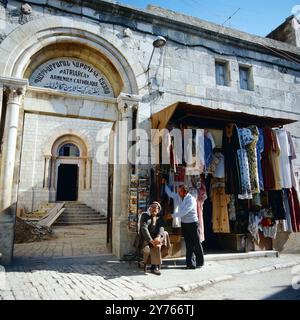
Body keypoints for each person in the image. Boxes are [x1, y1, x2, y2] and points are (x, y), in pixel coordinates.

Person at [171, 184, 204, 269]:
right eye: (178, 191)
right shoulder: (181, 199)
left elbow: (184, 212)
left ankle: (200, 262)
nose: (179, 193)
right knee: (188, 244)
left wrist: (172, 216)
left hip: (193, 223)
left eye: (180, 191)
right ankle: (190, 264)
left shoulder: (191, 199)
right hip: (185, 224)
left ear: (185, 191)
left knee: (196, 243)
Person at [134, 202, 170, 275]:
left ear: (158, 210)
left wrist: (158, 237)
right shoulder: (145, 216)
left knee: (165, 233)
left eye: (156, 208)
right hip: (145, 240)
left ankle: (154, 263)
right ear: (149, 208)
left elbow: (161, 228)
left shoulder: (159, 218)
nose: (154, 209)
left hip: (155, 240)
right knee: (155, 245)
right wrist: (151, 240)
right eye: (152, 207)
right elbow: (144, 229)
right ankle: (154, 267)